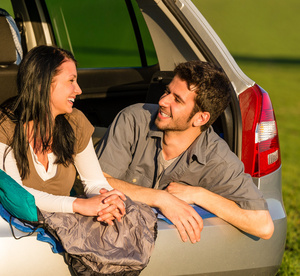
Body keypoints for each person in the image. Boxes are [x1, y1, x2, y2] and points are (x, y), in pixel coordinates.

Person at [96, 60, 274, 243]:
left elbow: (263, 225)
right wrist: (161, 199)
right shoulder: (133, 119)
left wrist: (199, 194)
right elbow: (96, 181)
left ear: (201, 118)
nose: (163, 101)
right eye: (167, 91)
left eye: (177, 99)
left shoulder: (218, 157)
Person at [0, 45, 126, 225]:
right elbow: (20, 197)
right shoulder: (5, 126)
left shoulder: (75, 122)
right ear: (42, 83)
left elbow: (94, 182)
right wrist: (79, 205)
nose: (79, 90)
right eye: (71, 81)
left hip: (62, 231)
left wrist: (107, 203)